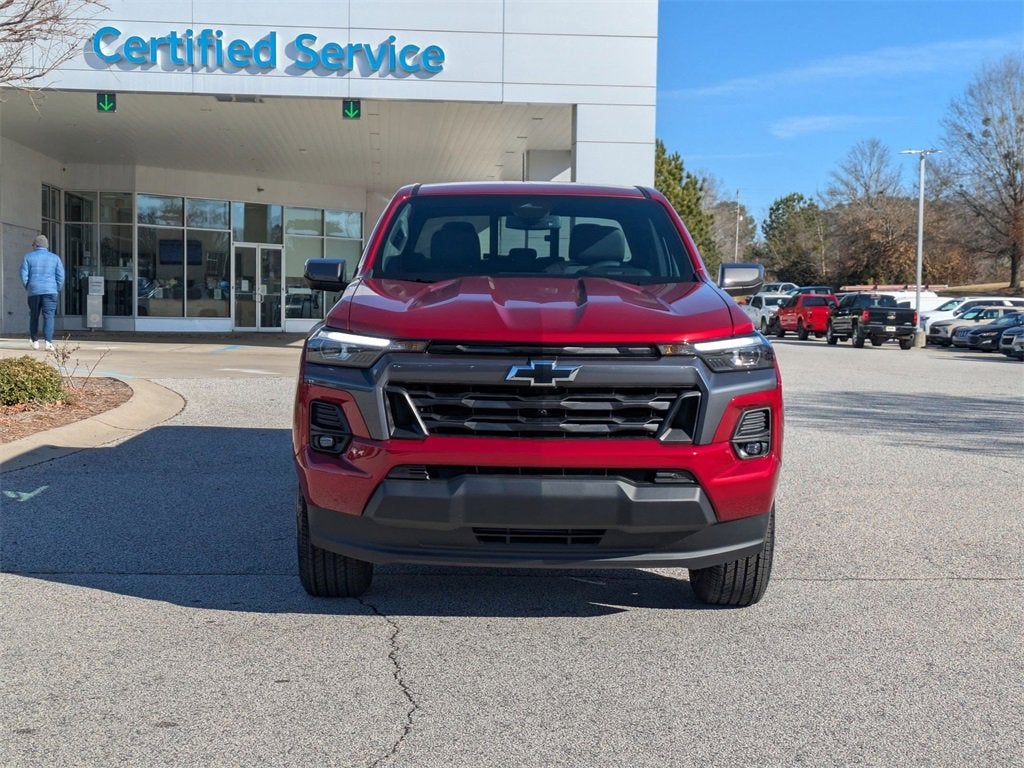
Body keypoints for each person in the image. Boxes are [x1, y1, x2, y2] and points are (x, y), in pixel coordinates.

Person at [20, 234, 65, 351]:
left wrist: (28, 286)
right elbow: (60, 276)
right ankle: (48, 342)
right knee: (49, 316)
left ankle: (35, 341)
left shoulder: (28, 257)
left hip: (34, 291)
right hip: (50, 291)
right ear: (46, 246)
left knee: (34, 315)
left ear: (35, 245)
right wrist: (56, 288)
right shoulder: (55, 258)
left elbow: (23, 275)